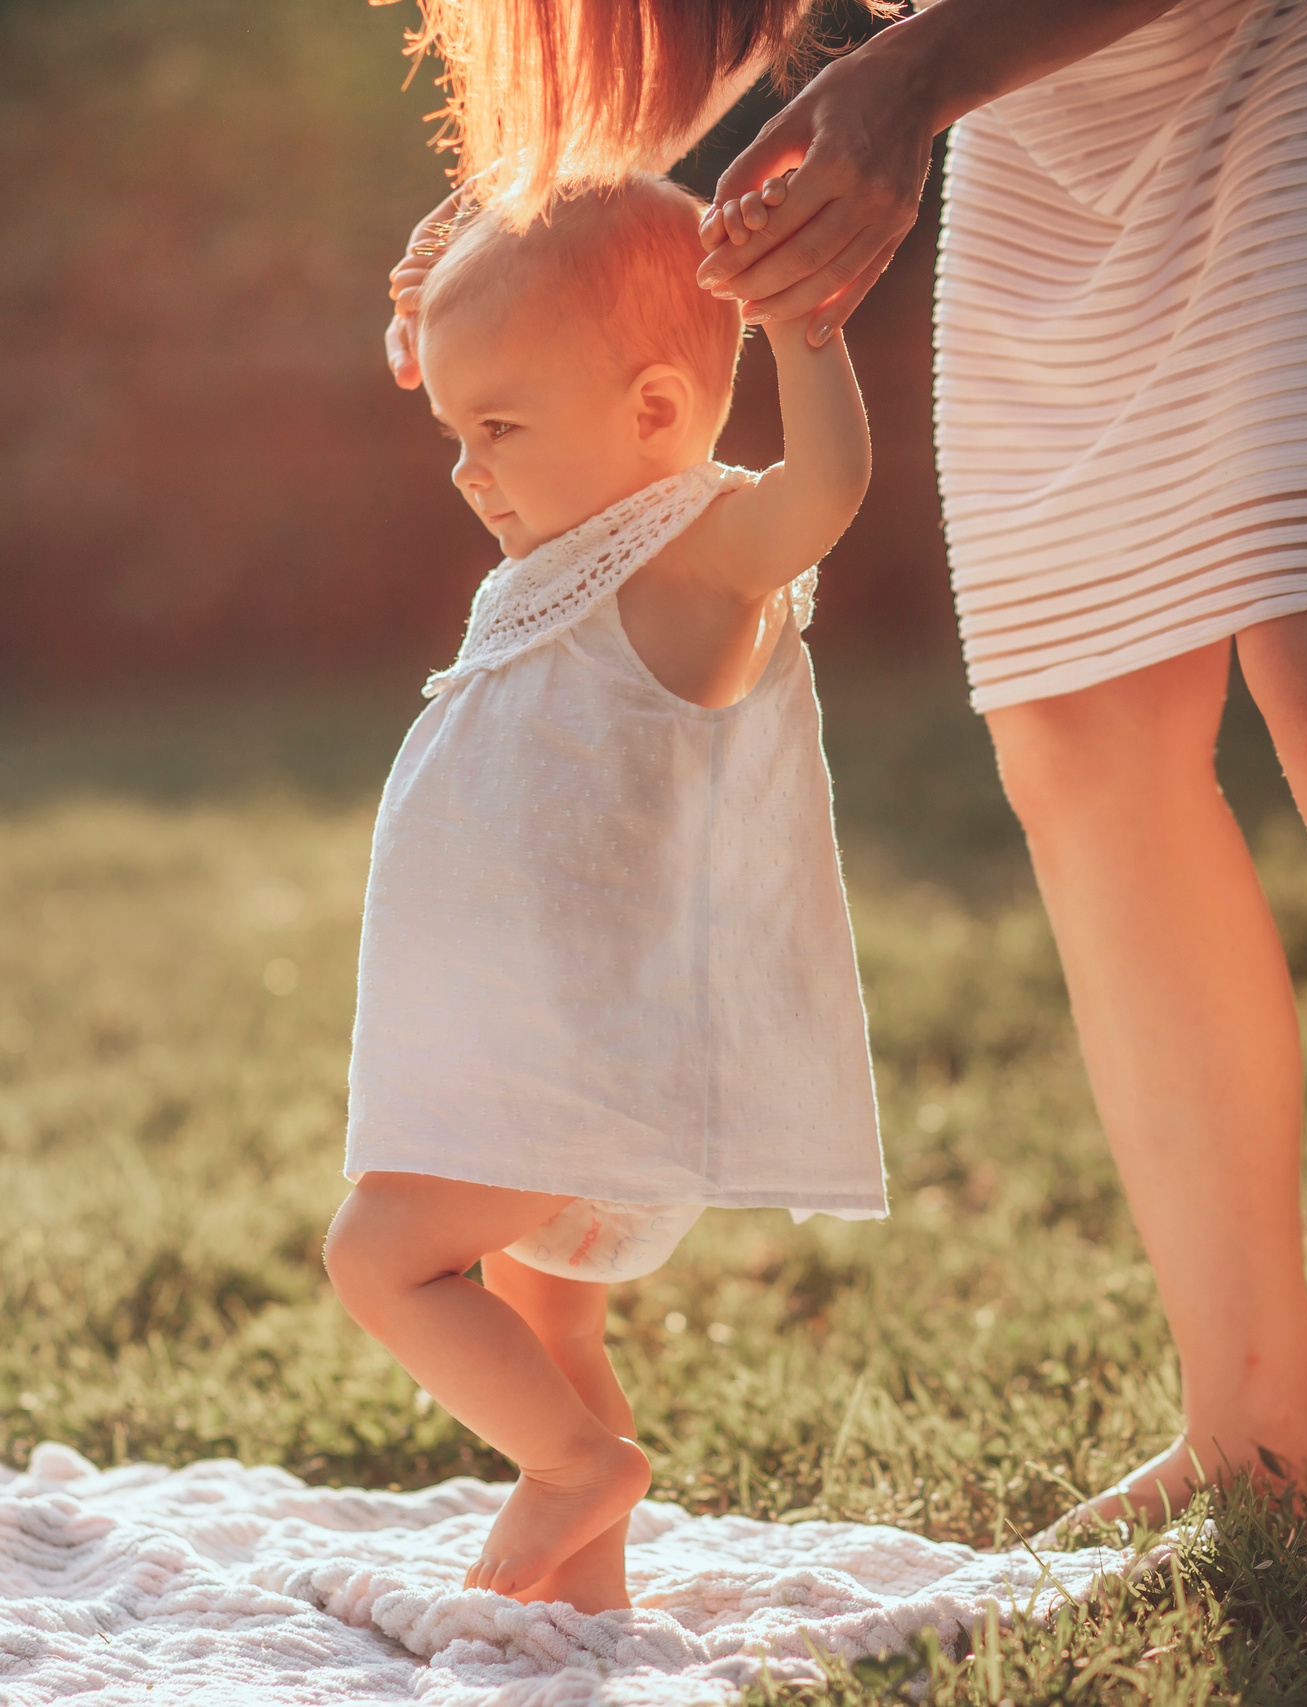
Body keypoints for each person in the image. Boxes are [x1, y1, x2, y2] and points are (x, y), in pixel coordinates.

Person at [381, 0, 1307, 1601]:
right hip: (1052, 84)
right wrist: (534, 217)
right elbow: (719, 22)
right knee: (1076, 728)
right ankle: (1255, 1426)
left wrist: (926, 69)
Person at [323, 173, 888, 1615]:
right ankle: (585, 1611)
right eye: (454, 433)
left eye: (498, 429)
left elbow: (821, 494)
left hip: (583, 1062)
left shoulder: (692, 559)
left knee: (382, 1257)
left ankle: (575, 1471)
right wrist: (450, 287)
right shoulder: (567, 561)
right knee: (542, 1313)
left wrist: (801, 332)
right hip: (545, 1055)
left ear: (651, 409)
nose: (467, 469)